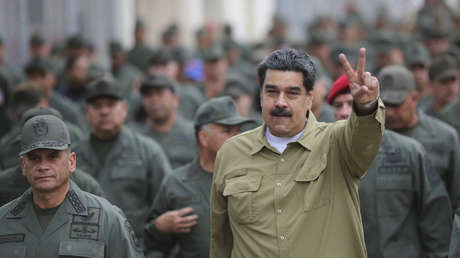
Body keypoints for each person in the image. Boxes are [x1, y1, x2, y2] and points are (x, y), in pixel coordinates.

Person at [210, 47, 385, 257]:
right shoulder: (231, 152)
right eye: (272, 92)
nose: (280, 102)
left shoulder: (337, 143)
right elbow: (221, 239)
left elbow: (364, 138)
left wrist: (366, 105)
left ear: (309, 99)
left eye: (292, 93)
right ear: (261, 95)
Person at [329, 73, 452, 257]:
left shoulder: (409, 151)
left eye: (352, 103)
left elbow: (435, 219)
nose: (345, 112)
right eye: (338, 105)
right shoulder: (323, 155)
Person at [0, 114, 144, 258]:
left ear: (71, 161)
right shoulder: (3, 221)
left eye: (52, 156)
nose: (43, 166)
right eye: (34, 158)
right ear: (23, 165)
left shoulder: (107, 219)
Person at [144, 96, 252, 258]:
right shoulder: (177, 183)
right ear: (203, 138)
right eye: (227, 131)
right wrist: (160, 227)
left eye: (238, 132)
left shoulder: (252, 177)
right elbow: (152, 246)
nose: (236, 138)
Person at [73, 78, 172, 246]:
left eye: (111, 105)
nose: (104, 111)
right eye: (97, 106)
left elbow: (166, 204)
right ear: (87, 112)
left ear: (124, 109)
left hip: (136, 246)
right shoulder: (71, 156)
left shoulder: (147, 151)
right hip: (84, 247)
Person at [380, 65, 460, 212]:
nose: (390, 113)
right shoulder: (373, 139)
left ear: (415, 98)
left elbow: (455, 197)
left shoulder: (445, 137)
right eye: (385, 105)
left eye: (397, 104)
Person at [133, 74, 197, 169]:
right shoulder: (135, 136)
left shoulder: (194, 135)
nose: (154, 100)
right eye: (148, 95)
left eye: (159, 94)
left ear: (175, 100)